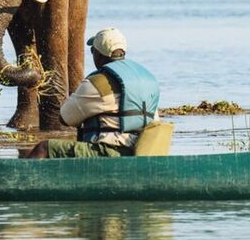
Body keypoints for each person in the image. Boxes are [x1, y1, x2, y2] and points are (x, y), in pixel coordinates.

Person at [23, 27, 160, 158]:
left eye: (92, 51)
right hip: (139, 151)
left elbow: (65, 118)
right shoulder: (145, 80)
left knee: (44, 148)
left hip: (107, 153)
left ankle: (25, 181)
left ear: (99, 55)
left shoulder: (96, 83)